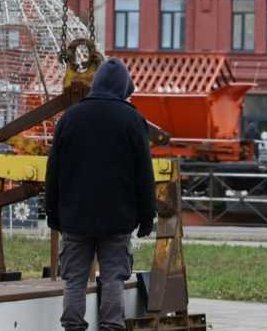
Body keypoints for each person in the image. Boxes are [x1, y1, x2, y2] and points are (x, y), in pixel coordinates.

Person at [45, 57, 156, 331]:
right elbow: (144, 174)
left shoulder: (70, 117)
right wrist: (146, 217)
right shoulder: (132, 120)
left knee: (74, 280)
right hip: (117, 218)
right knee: (113, 279)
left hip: (75, 217)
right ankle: (111, 327)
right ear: (122, 87)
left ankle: (72, 327)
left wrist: (52, 213)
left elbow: (53, 171)